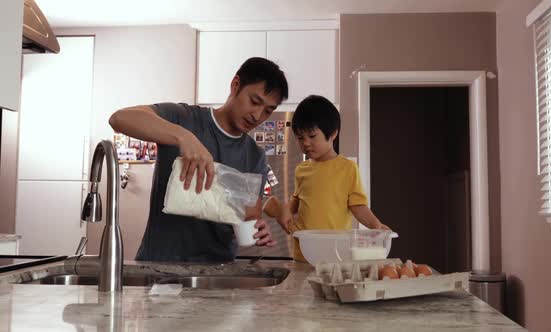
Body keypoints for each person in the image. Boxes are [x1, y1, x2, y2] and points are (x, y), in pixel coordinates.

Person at [109, 57, 288, 263]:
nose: (257, 115)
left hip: (217, 272)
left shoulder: (255, 156)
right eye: (254, 102)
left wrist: (257, 228)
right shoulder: (185, 118)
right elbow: (119, 118)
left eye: (267, 110)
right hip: (160, 266)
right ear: (235, 85)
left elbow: (249, 213)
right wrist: (183, 136)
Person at [275, 95, 391, 262]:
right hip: (304, 253)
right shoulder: (301, 169)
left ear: (333, 133)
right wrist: (286, 208)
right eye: (300, 137)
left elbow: (358, 207)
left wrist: (376, 226)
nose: (306, 143)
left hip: (335, 253)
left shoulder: (347, 168)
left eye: (312, 136)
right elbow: (297, 201)